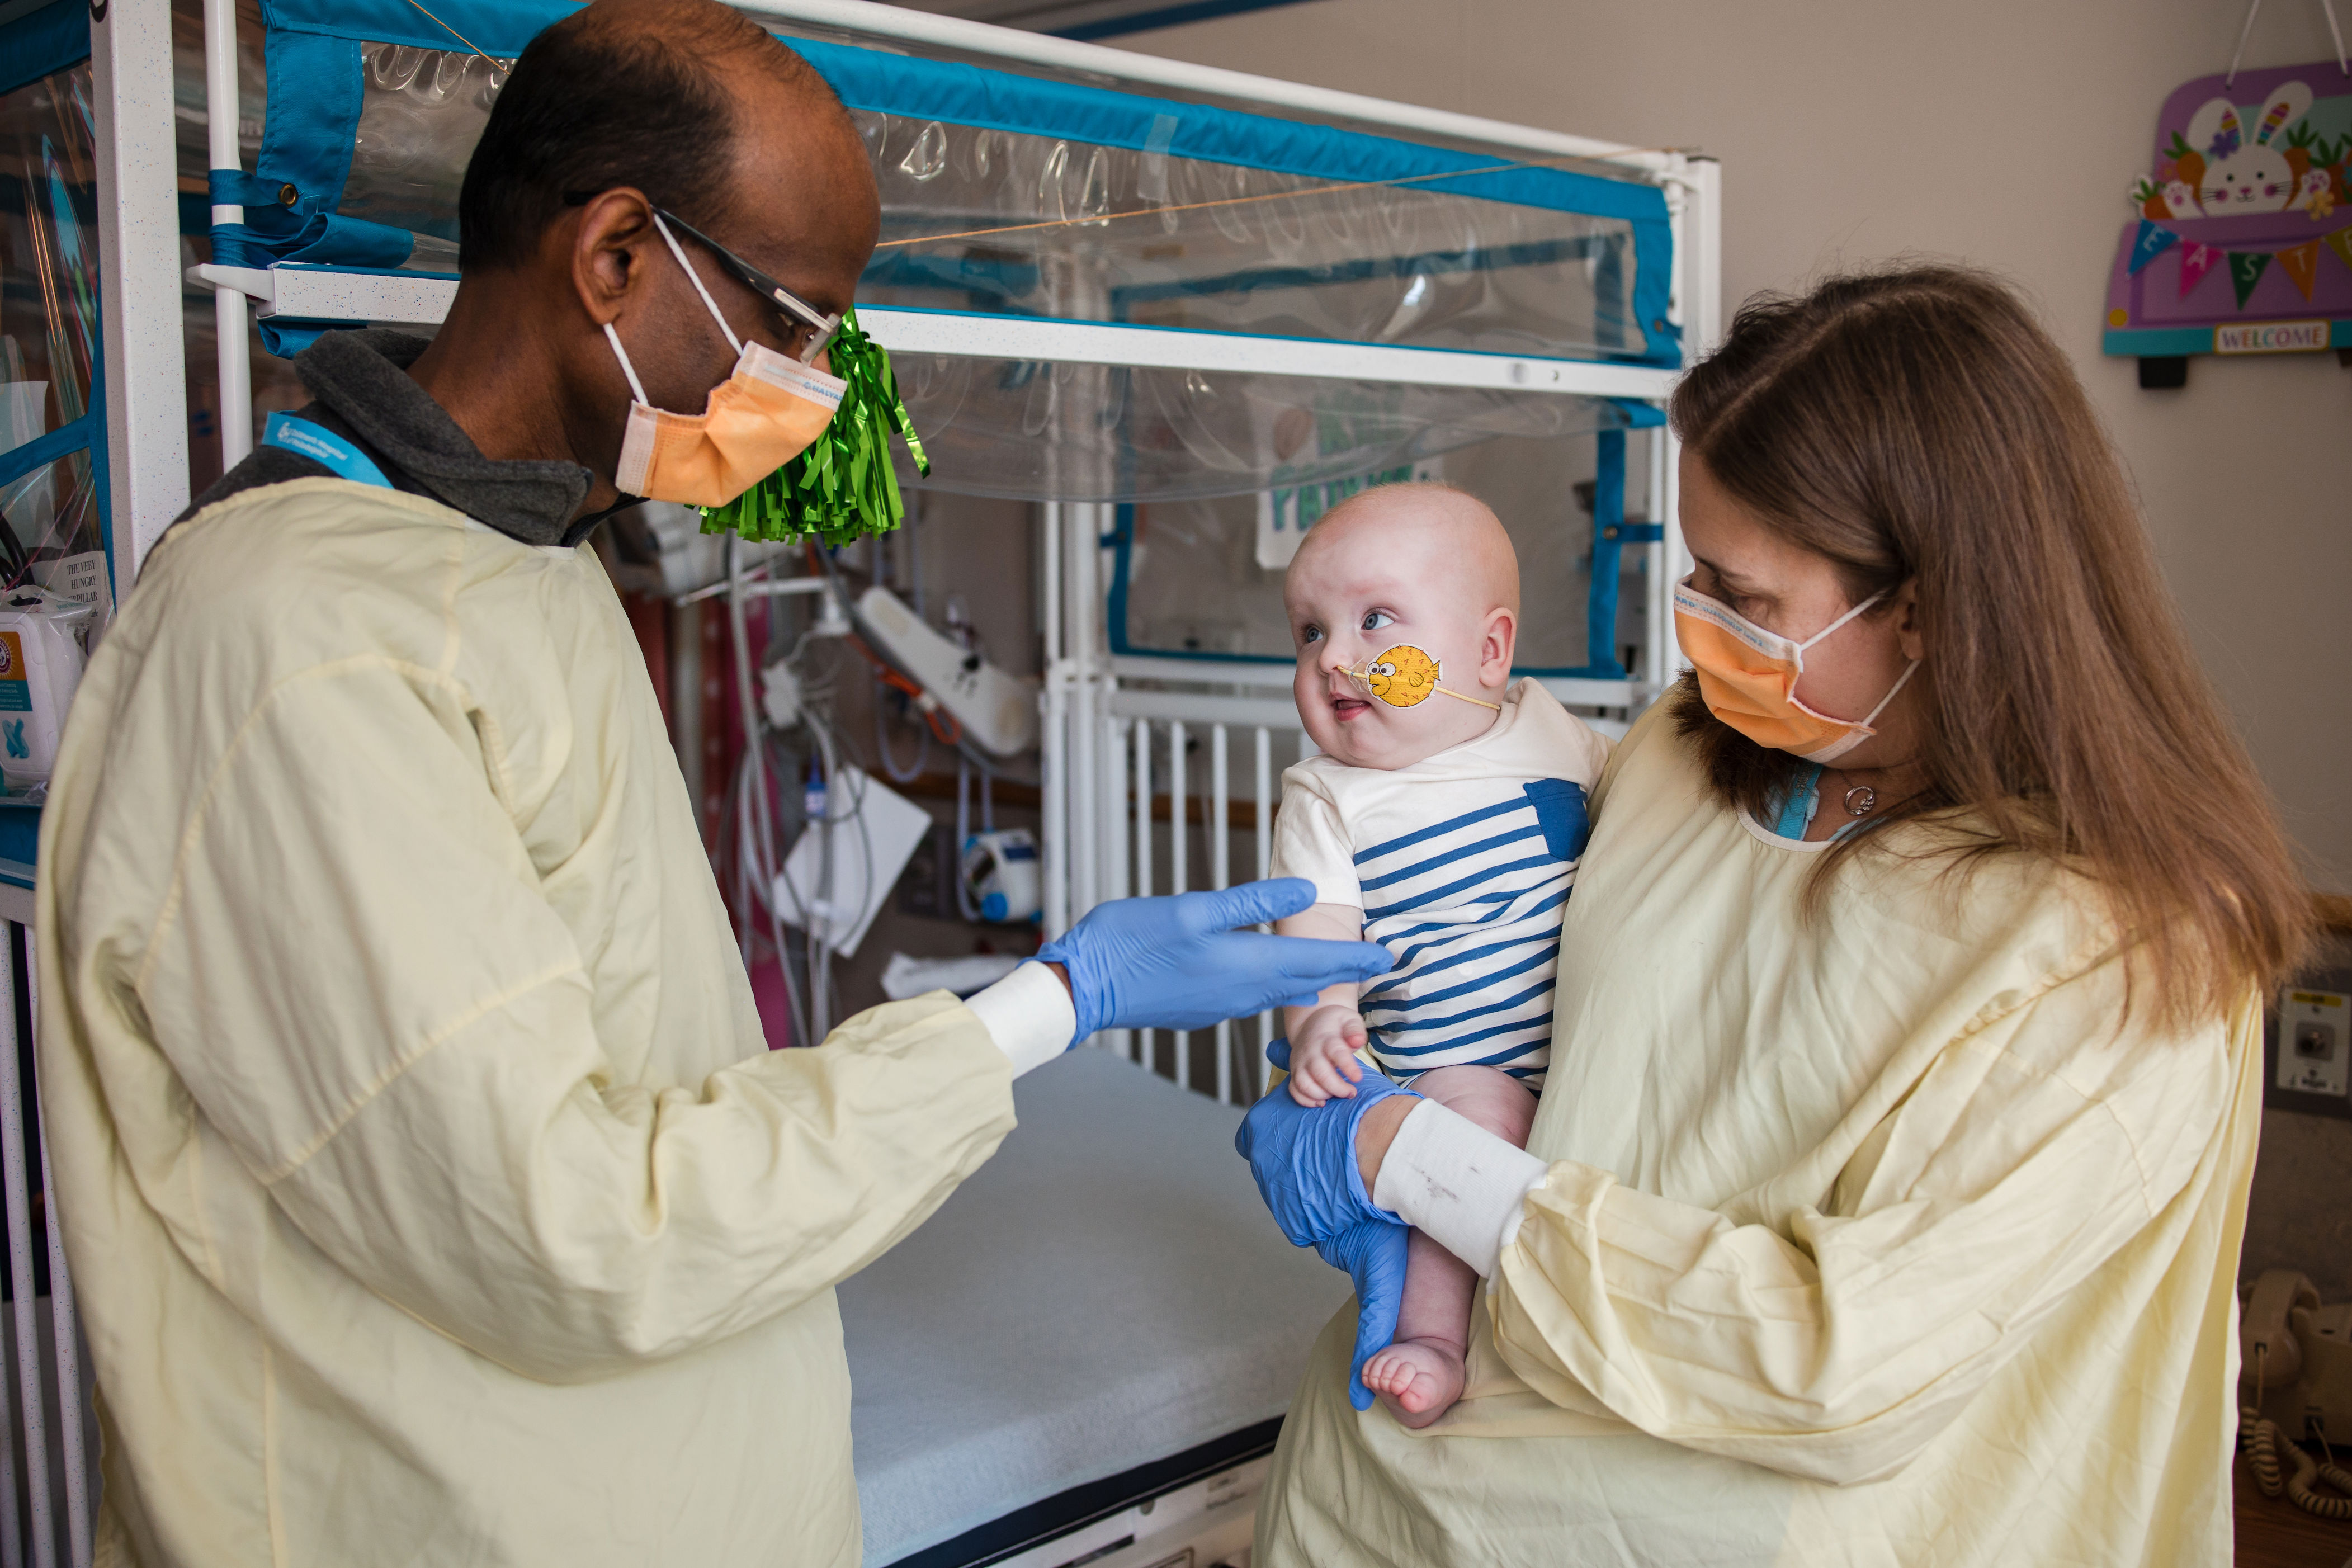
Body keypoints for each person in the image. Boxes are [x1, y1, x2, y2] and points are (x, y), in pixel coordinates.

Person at [32, 6, 1390, 1565]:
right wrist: (1045, 1008)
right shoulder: (300, 639)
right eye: (796, 322)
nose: (811, 382)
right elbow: (574, 1227)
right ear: (614, 253)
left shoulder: (523, 554)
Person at [1236, 265, 2312, 1565]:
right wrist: (1336, 1042)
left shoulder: (2121, 956)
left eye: (1743, 603)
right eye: (1697, 581)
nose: (1697, 638)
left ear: (1927, 605)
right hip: (1389, 1498)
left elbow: (1833, 1364)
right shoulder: (1682, 764)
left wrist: (1412, 1156)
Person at [1269, 485, 1608, 1425]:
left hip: (1585, 1050)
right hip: (1455, 1067)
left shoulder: (1555, 737)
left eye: (1374, 621)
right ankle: (1431, 1336)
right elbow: (1319, 934)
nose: (1334, 656)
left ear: (1488, 652)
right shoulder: (1330, 796)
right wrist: (1322, 1022)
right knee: (1475, 1133)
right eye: (1307, 632)